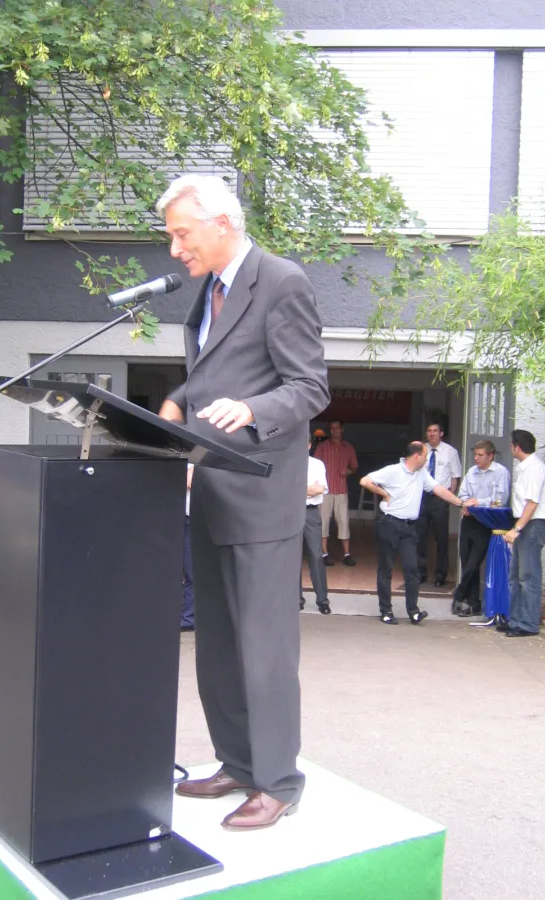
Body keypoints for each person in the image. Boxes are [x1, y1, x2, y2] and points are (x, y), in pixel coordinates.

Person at [156, 175, 329, 830]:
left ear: (220, 222)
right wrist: (177, 402)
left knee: (263, 646)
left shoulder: (279, 281)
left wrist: (253, 409)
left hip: (260, 495)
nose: (175, 250)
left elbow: (308, 387)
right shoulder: (206, 294)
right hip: (210, 493)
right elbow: (213, 375)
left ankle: (278, 780)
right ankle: (236, 762)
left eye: (181, 234)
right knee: (220, 645)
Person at [360, 441, 468, 625]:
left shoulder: (421, 474)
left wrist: (461, 503)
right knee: (386, 569)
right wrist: (384, 494)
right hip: (389, 523)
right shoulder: (393, 470)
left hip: (409, 527)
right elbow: (365, 481)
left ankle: (413, 610)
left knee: (412, 569)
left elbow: (439, 489)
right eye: (425, 456)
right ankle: (386, 610)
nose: (427, 459)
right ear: (417, 456)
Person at [498, 430, 545, 637]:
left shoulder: (534, 469)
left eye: (511, 445)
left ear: (517, 447)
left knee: (527, 577)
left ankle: (527, 624)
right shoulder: (527, 467)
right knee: (516, 576)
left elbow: (532, 504)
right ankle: (516, 620)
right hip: (526, 524)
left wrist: (517, 529)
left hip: (532, 525)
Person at [453, 441, 511, 617]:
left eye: (480, 455)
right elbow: (463, 493)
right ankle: (473, 603)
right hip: (469, 519)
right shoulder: (472, 471)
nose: (476, 458)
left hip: (485, 521)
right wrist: (466, 503)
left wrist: (478, 503)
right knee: (466, 561)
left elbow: (501, 498)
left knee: (474, 562)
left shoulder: (500, 472)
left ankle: (458, 594)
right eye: (475, 454)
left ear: (490, 455)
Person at [416, 422, 462, 586]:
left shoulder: (450, 452)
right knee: (420, 536)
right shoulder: (421, 450)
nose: (432, 434)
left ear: (441, 433)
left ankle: (441, 574)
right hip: (422, 498)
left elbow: (455, 477)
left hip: (440, 499)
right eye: (429, 431)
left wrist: (449, 498)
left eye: (435, 431)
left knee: (441, 538)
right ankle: (420, 572)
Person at [314, 420, 358, 567]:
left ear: (342, 429)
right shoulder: (322, 447)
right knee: (323, 522)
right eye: (332, 429)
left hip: (340, 490)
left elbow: (354, 467)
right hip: (325, 491)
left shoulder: (348, 447)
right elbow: (314, 466)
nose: (334, 431)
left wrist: (348, 471)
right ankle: (324, 553)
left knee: (343, 522)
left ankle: (346, 554)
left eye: (337, 428)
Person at [301, 440, 331, 615]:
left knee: (316, 556)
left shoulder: (317, 464)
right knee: (293, 558)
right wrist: (307, 489)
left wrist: (298, 489)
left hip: (311, 512)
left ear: (309, 445)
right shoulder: (287, 461)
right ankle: (296, 599)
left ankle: (322, 600)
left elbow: (320, 489)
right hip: (291, 512)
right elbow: (283, 489)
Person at [181, 464, 195, 632]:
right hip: (185, 515)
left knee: (192, 571)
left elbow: (188, 481)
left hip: (194, 516)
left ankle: (188, 618)